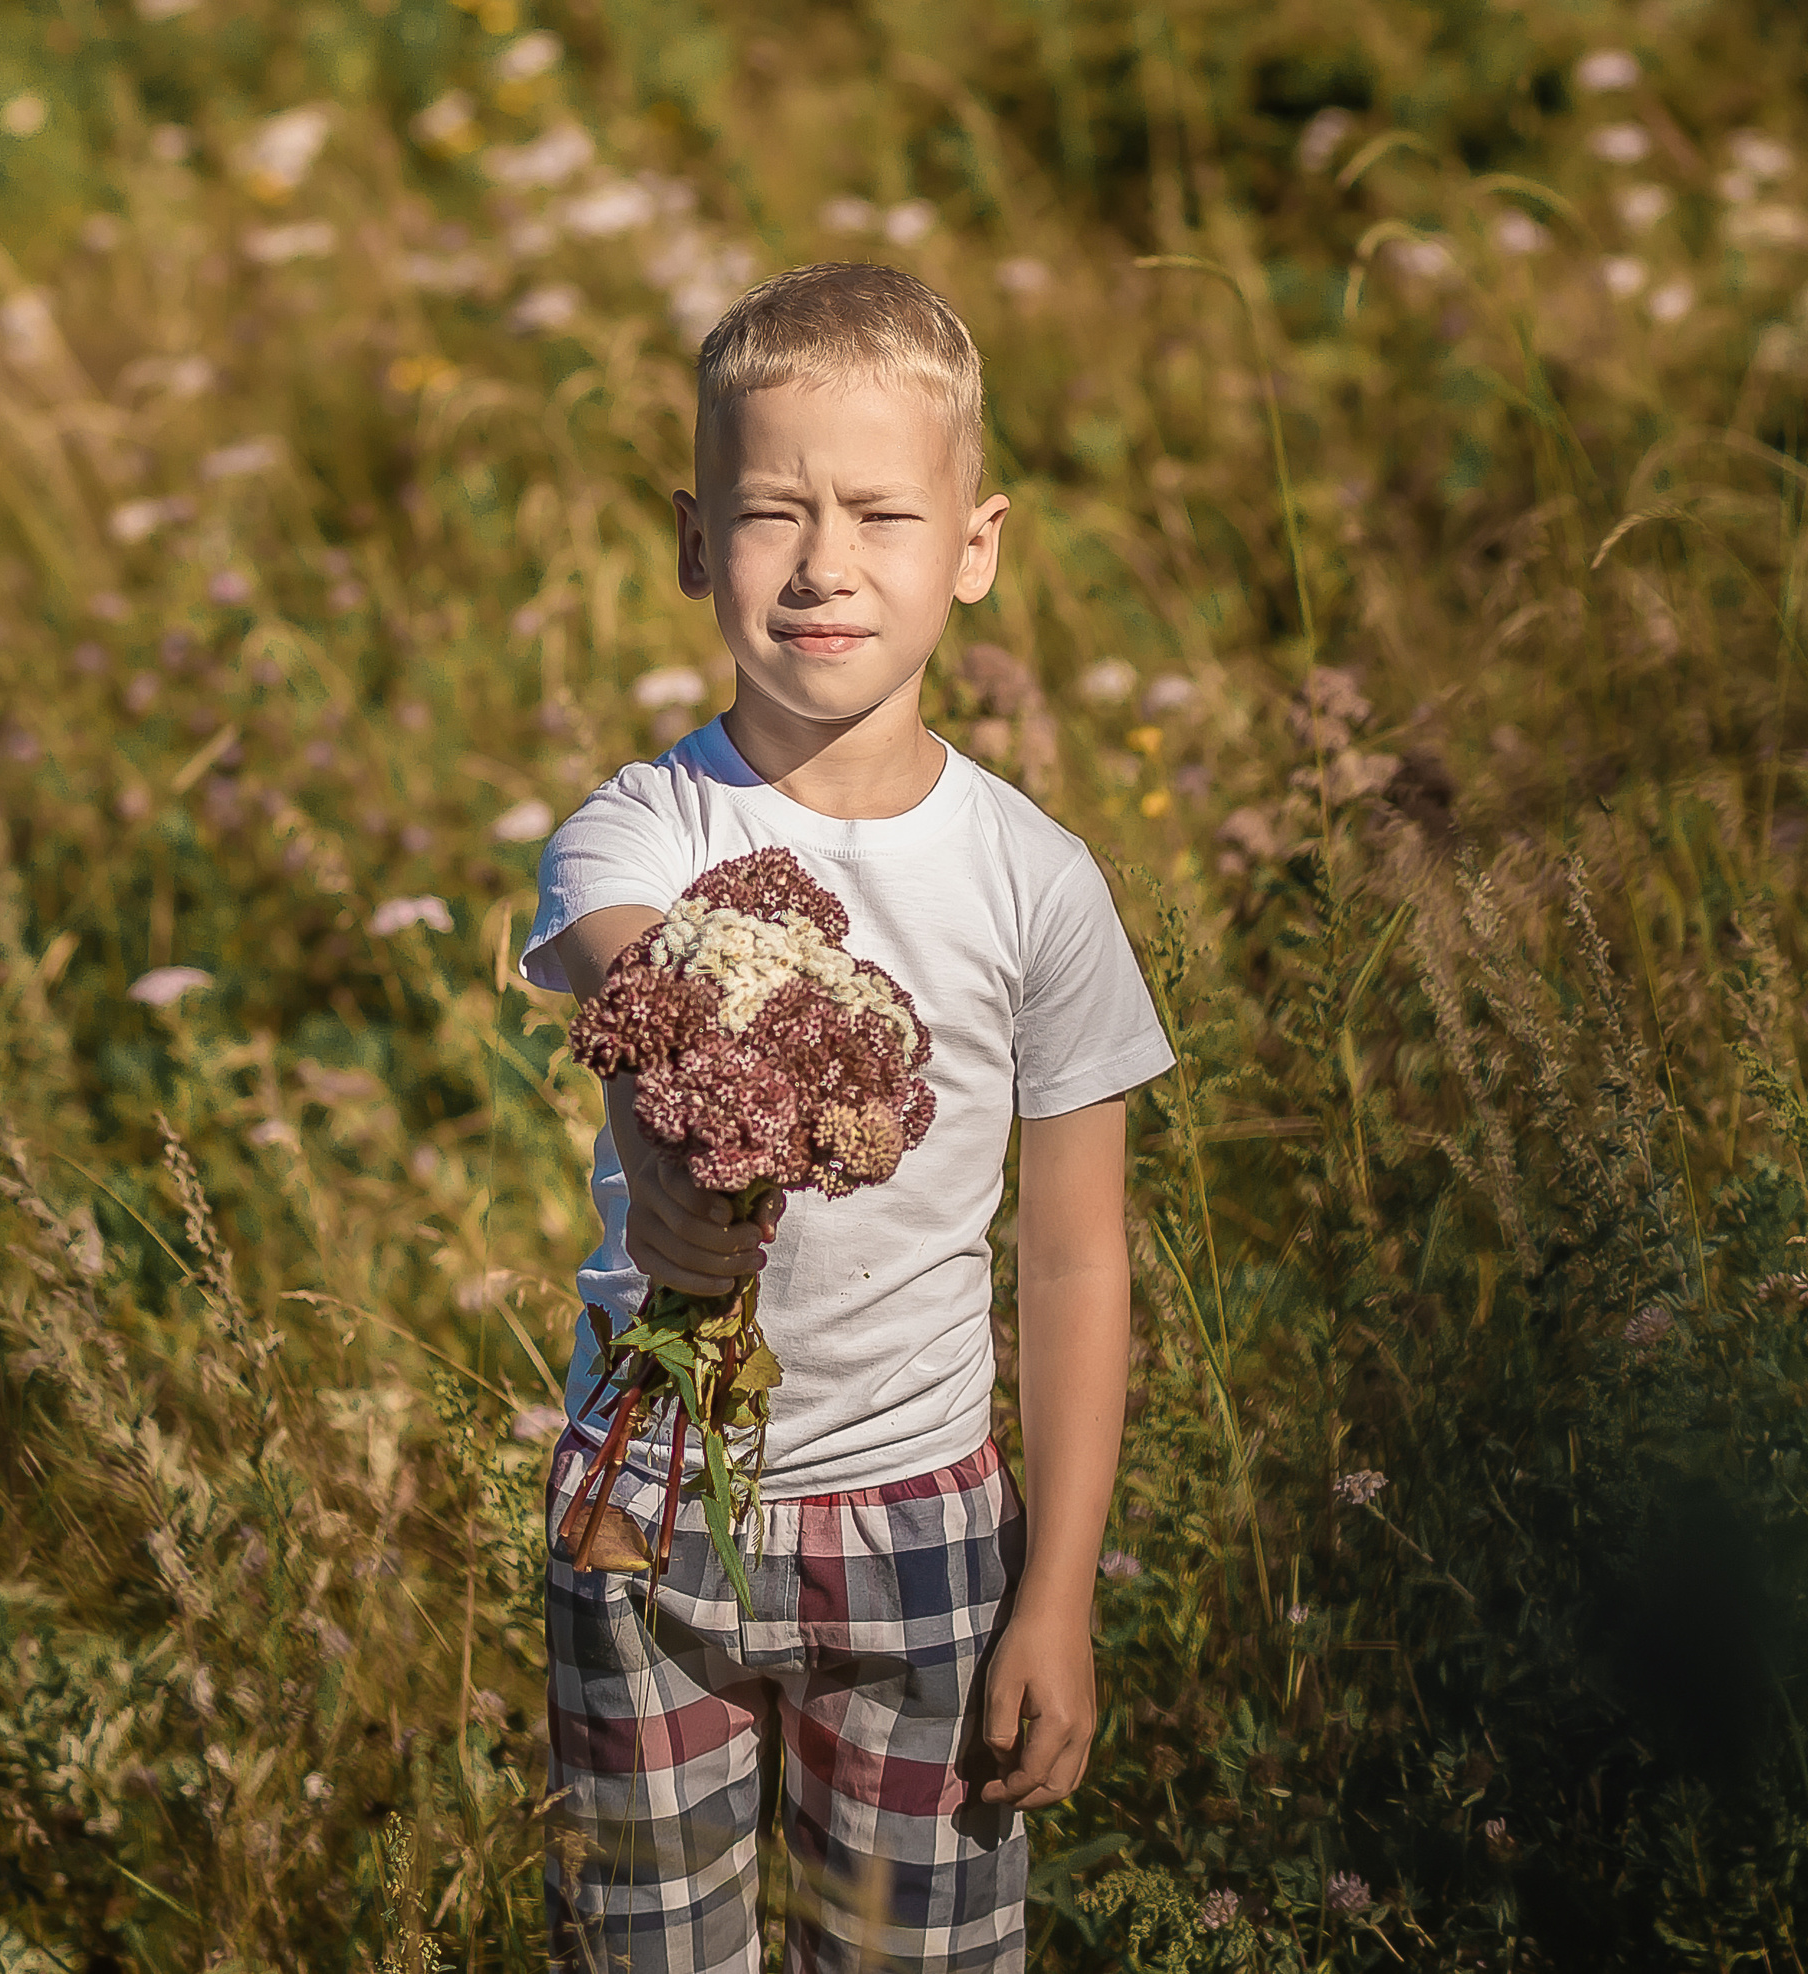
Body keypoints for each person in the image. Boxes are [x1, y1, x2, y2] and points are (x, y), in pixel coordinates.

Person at [519, 260, 1175, 1974]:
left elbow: (1075, 1256)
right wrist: (678, 1188)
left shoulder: (1038, 881)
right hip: (651, 1502)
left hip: (926, 1525)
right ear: (690, 543)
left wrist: (1060, 1589)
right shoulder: (635, 827)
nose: (824, 563)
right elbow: (646, 991)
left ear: (977, 544)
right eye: (769, 514)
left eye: (884, 512)